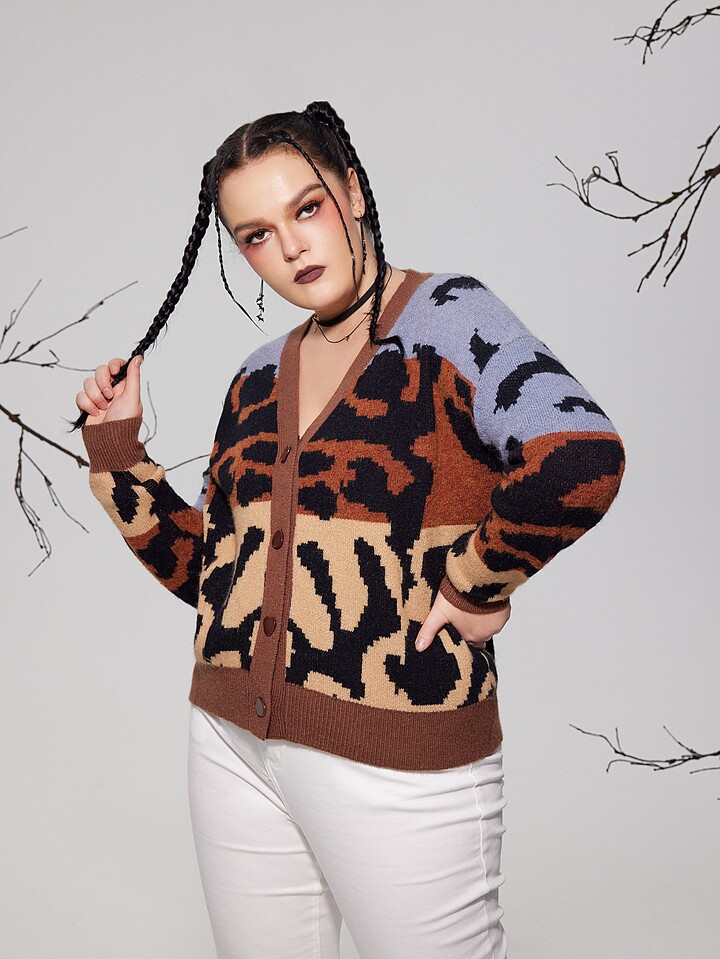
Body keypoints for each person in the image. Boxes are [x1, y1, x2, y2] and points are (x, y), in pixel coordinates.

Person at [74, 101, 626, 959]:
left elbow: (580, 455)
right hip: (229, 743)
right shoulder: (257, 377)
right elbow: (217, 579)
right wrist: (118, 453)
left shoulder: (448, 318)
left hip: (398, 755)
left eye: (307, 207)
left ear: (355, 191)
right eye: (257, 235)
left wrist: (475, 580)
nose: (292, 247)